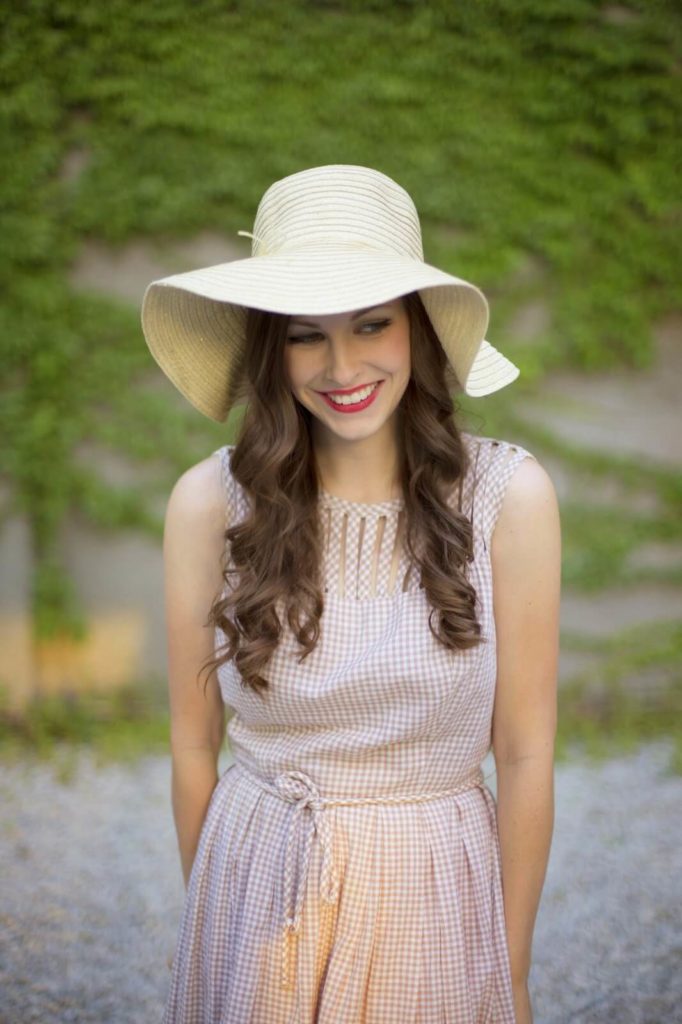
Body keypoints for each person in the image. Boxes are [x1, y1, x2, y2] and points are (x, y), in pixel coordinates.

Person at [141, 164, 561, 1024]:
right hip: (258, 876)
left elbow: (523, 755)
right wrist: (220, 915)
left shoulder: (508, 498)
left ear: (419, 331)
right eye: (305, 335)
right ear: (270, 347)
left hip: (437, 891)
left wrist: (509, 972)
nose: (342, 366)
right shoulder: (209, 503)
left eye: (372, 324)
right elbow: (193, 748)